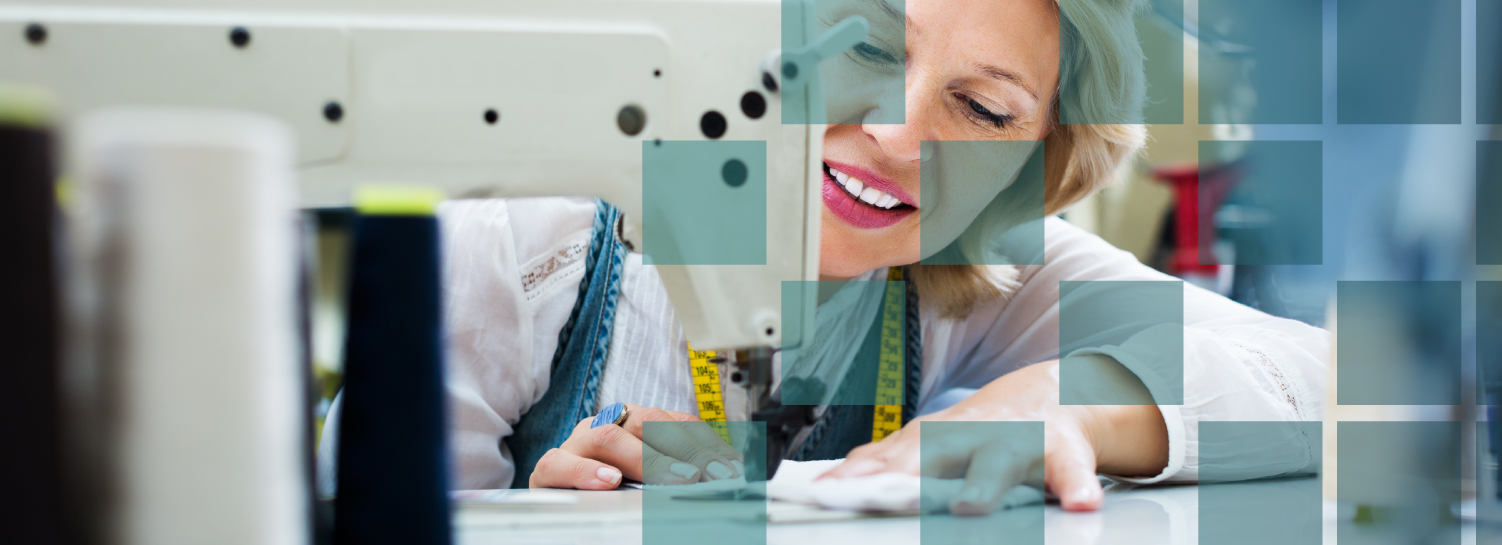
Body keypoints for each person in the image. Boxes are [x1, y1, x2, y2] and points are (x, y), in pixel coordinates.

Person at [318, 0, 1328, 516]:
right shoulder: (521, 244)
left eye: (981, 111)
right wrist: (519, 521)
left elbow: (1331, 379)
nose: (895, 130)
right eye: (866, 47)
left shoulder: (983, 288)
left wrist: (1053, 405)